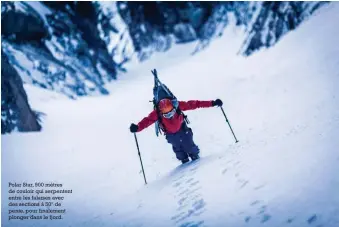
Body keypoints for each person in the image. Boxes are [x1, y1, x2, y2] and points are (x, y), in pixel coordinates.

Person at [129, 97, 223, 164]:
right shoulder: (157, 113)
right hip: (171, 135)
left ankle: (196, 159)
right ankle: (184, 162)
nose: (169, 114)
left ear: (173, 107)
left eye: (171, 111)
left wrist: (213, 103)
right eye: (166, 113)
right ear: (161, 111)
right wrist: (137, 127)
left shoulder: (178, 105)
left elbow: (195, 104)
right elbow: (147, 120)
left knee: (190, 146)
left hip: (183, 129)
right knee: (178, 149)